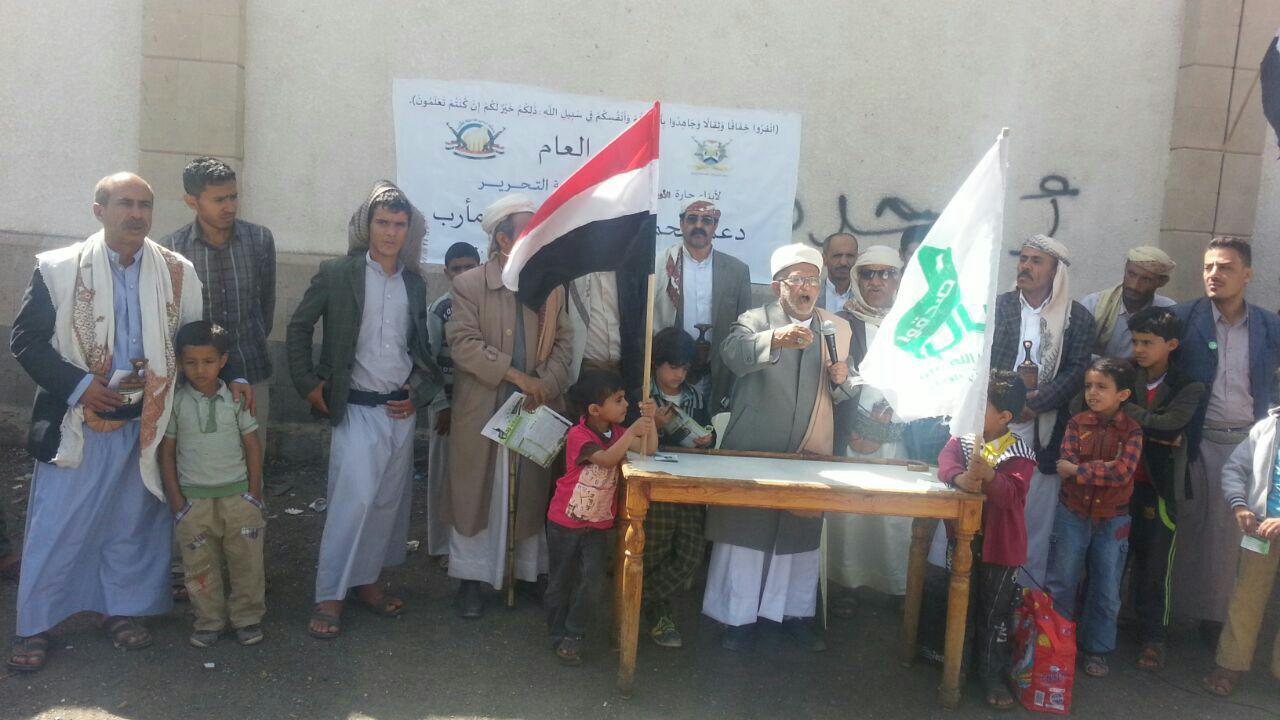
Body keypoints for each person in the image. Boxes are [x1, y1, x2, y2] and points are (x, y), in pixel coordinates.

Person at [8, 172, 206, 672]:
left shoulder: (177, 272)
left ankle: (120, 610)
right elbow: (26, 340)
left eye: (145, 205)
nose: (136, 214)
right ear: (99, 210)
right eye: (125, 203)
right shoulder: (58, 269)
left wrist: (233, 376)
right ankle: (36, 624)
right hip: (79, 419)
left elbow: (194, 340)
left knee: (132, 522)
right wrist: (79, 385)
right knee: (59, 525)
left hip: (147, 421)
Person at [286, 181, 442, 639]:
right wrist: (308, 384)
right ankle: (329, 596)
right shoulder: (339, 273)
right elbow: (298, 327)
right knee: (351, 504)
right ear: (367, 226)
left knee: (386, 505)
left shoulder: (414, 283)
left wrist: (419, 393)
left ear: (409, 231)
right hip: (354, 407)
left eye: (399, 224)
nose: (391, 232)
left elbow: (420, 350)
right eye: (383, 223)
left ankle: (366, 582)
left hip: (398, 411)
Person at [702, 243, 858, 652]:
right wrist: (774, 339)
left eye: (813, 280)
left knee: (798, 537)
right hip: (756, 448)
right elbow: (733, 356)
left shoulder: (836, 328)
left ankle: (794, 615)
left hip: (809, 451)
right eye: (797, 280)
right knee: (745, 537)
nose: (807, 288)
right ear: (777, 286)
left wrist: (843, 379)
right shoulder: (754, 320)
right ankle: (737, 621)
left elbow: (845, 392)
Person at [445, 194, 573, 619]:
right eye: (527, 230)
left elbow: (564, 344)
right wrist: (517, 377)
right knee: (477, 493)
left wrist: (544, 384)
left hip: (534, 408)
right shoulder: (469, 285)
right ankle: (471, 579)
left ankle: (526, 574)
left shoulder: (551, 288)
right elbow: (463, 344)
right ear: (502, 238)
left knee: (531, 492)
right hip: (484, 408)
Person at [1171, 237, 1280, 644]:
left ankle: (1216, 624)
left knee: (1233, 539)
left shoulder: (1268, 326)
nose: (1214, 274)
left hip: (1249, 446)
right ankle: (1172, 619)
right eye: (1208, 267)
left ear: (1247, 274)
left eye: (1226, 267)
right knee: (1187, 530)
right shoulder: (1184, 319)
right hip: (1195, 443)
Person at [987, 234, 1095, 586]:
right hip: (994, 421)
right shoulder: (998, 307)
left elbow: (1077, 371)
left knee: (1033, 514)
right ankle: (975, 590)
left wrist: (1035, 404)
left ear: (1055, 271)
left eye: (1036, 261)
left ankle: (1023, 595)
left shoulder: (1076, 318)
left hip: (1042, 430)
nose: (1025, 266)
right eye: (1023, 258)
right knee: (986, 501)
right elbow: (980, 358)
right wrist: (1005, 403)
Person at [158, 321, 266, 648]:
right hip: (194, 503)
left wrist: (253, 494)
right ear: (180, 363)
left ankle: (247, 618)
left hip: (238, 499)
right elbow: (167, 453)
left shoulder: (236, 399)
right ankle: (208, 621)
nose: (200, 370)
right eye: (191, 362)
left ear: (223, 361)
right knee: (198, 568)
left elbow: (252, 445)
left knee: (246, 564)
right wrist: (177, 502)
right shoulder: (176, 403)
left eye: (208, 361)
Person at [936, 369, 1036, 710]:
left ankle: (992, 675)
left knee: (995, 615)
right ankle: (956, 667)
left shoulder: (1019, 452)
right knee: (960, 607)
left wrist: (991, 476)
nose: (973, 412)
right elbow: (945, 461)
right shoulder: (964, 438)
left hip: (1001, 548)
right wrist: (959, 477)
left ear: (1005, 416)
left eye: (982, 407)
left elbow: (1012, 495)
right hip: (964, 541)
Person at [545, 370, 656, 665]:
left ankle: (574, 632)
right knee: (560, 580)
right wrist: (632, 432)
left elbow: (649, 449)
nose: (626, 405)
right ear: (595, 409)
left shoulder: (617, 432)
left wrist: (650, 421)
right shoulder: (578, 435)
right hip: (565, 522)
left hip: (597, 525)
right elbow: (606, 460)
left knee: (592, 580)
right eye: (618, 400)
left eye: (624, 398)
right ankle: (556, 632)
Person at [1046, 357, 1144, 679]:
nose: (1093, 392)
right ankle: (1056, 644)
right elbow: (1064, 465)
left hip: (1113, 519)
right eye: (1088, 386)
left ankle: (1097, 650)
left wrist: (1079, 470)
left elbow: (1122, 473)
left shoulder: (1132, 431)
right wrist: (1091, 469)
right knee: (1062, 581)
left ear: (1123, 394)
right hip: (1073, 512)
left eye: (1102, 387)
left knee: (1106, 588)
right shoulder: (1076, 423)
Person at [161, 156, 273, 434]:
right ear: (192, 201)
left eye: (233, 197)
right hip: (194, 381)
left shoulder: (259, 240)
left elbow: (266, 306)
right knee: (196, 455)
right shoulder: (172, 249)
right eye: (219, 200)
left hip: (251, 368)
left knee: (253, 453)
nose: (230, 207)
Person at [1121, 307, 1205, 670]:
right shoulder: (1123, 373)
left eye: (1147, 342)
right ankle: (1097, 630)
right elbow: (1093, 407)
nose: (1138, 349)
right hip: (1119, 484)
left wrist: (1125, 411)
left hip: (1160, 488)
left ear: (1171, 344)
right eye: (1135, 341)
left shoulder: (1189, 384)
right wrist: (1153, 427)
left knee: (1155, 568)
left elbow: (1171, 425)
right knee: (1110, 561)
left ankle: (1154, 638)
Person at [829, 245, 913, 599]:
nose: (876, 282)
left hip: (899, 437)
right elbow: (831, 379)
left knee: (893, 516)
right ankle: (846, 588)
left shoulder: (914, 322)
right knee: (850, 516)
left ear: (899, 279)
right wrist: (862, 428)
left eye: (886, 273)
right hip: (852, 434)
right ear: (856, 278)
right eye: (867, 274)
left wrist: (884, 424)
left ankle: (895, 590)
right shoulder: (840, 322)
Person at [1201, 403, 1280, 697]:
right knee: (1246, 598)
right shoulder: (1266, 428)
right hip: (1260, 530)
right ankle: (1230, 666)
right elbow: (1235, 468)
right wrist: (1240, 505)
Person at [642, 327, 711, 648]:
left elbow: (708, 426)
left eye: (684, 368)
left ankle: (636, 594)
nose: (679, 375)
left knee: (692, 551)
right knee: (655, 544)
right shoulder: (642, 395)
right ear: (655, 363)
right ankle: (657, 609)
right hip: (653, 482)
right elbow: (628, 440)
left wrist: (707, 438)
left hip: (690, 481)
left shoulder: (695, 397)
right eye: (672, 367)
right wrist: (652, 426)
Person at [653, 197, 753, 413]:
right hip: (672, 372)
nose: (699, 225)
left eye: (706, 220)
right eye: (692, 219)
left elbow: (746, 327)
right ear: (681, 223)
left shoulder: (737, 271)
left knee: (713, 427)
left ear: (715, 226)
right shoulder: (660, 265)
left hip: (718, 370)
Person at [424, 241, 481, 564]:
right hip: (446, 409)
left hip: (477, 407)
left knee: (470, 478)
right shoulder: (440, 309)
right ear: (447, 273)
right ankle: (441, 546)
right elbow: (427, 362)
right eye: (456, 268)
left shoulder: (484, 306)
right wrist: (440, 406)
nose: (463, 273)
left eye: (469, 267)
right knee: (442, 476)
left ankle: (466, 545)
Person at [1078, 246, 1176, 359]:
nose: (1134, 286)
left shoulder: (1167, 311)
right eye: (1131, 274)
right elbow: (1078, 353)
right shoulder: (1093, 305)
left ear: (1161, 282)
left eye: (1146, 279)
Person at [818, 232, 859, 312]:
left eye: (849, 256)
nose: (843, 262)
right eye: (837, 256)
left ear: (856, 259)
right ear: (824, 259)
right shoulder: (812, 294)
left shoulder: (864, 296)